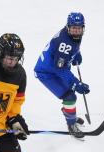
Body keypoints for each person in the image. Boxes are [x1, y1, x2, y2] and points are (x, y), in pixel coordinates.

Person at [34, 12, 89, 140]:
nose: (76, 31)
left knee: (70, 96)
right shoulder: (64, 43)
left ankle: (70, 114)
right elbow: (60, 68)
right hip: (47, 73)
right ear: (68, 27)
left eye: (79, 28)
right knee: (70, 96)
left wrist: (75, 55)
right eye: (74, 28)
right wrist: (76, 83)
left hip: (54, 67)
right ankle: (71, 125)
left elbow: (69, 51)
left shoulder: (70, 36)